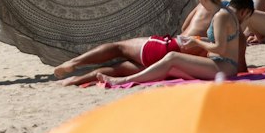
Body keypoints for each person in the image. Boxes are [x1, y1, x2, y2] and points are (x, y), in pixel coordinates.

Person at [97, 0, 250, 86]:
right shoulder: (226, 12)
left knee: (172, 58)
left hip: (224, 67)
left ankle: (123, 80)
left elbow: (220, 48)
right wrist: (196, 39)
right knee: (170, 69)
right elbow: (225, 43)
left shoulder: (220, 16)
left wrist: (196, 43)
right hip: (226, 65)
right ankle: (124, 79)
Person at [50, 34, 214, 86]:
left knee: (118, 48)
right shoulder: (225, 55)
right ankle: (75, 80)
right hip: (170, 67)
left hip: (167, 48)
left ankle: (74, 63)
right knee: (118, 69)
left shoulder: (214, 13)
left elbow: (186, 28)